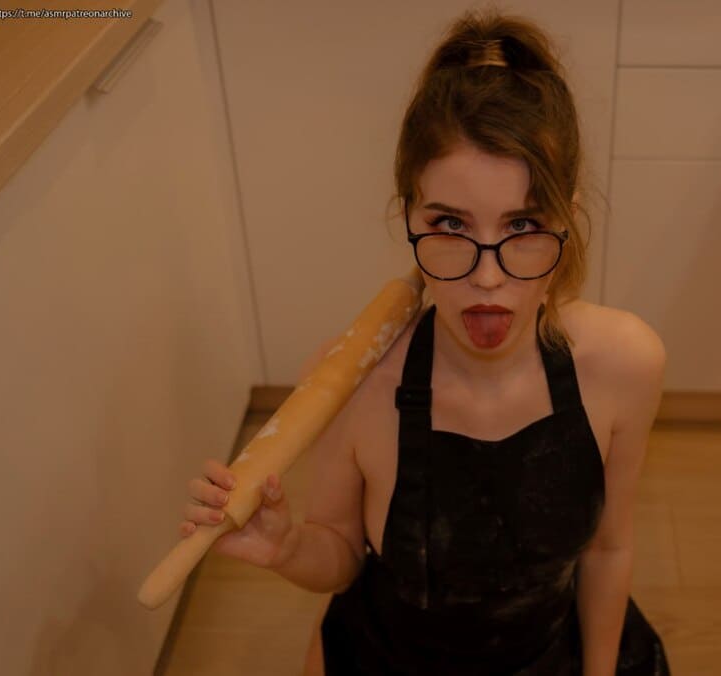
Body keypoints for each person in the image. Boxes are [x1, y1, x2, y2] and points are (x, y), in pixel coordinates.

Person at [180, 8, 671, 675]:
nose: (488, 277)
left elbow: (608, 550)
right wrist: (286, 546)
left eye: (523, 224)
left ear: (567, 219)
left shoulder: (624, 363)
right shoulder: (354, 380)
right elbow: (341, 555)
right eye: (450, 225)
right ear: (408, 212)